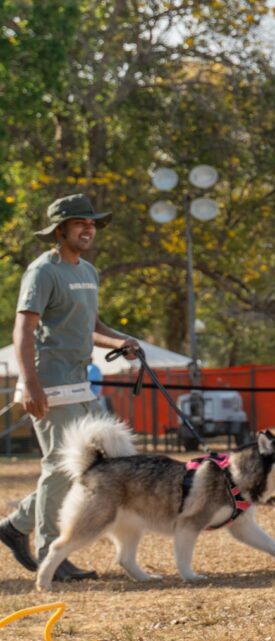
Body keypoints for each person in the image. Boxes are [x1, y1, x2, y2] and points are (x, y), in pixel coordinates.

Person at [0, 194, 141, 581]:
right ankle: (51, 554)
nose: (89, 229)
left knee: (92, 464)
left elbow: (92, 326)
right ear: (60, 230)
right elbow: (23, 329)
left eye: (92, 223)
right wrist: (30, 384)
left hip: (80, 381)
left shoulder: (89, 272)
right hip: (49, 383)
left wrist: (122, 342)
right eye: (80, 223)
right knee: (60, 468)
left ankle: (16, 525)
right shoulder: (42, 272)